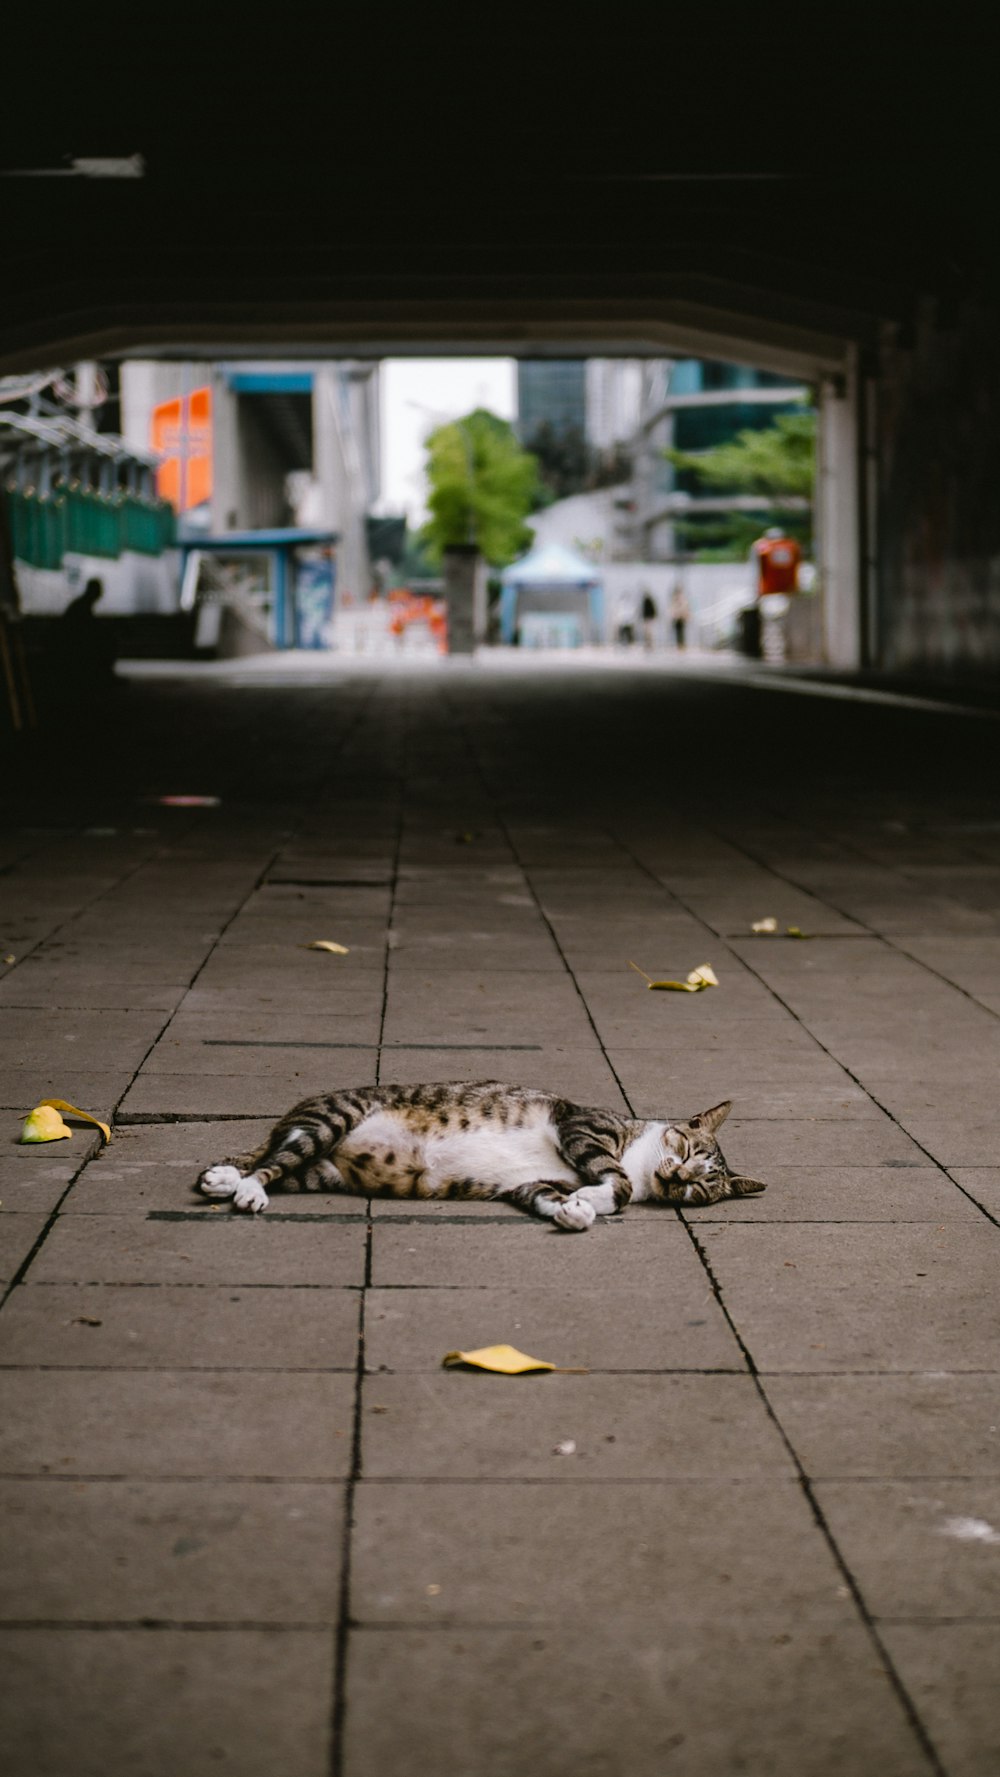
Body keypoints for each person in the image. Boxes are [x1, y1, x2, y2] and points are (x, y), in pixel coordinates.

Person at [669, 580, 690, 649]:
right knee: (678, 631)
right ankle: (679, 644)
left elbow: (685, 607)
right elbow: (673, 608)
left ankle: (681, 644)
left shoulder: (682, 599)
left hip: (681, 617)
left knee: (681, 631)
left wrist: (686, 615)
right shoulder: (675, 599)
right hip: (677, 617)